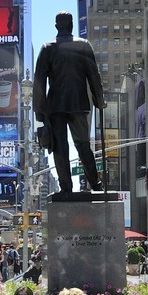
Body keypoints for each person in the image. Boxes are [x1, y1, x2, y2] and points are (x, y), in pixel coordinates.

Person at [32, 11, 105, 194]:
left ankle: (66, 188)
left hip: (55, 106)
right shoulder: (83, 46)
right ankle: (95, 184)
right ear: (71, 25)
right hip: (79, 103)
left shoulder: (47, 48)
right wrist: (99, 100)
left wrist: (39, 110)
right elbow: (94, 76)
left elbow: (39, 82)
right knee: (83, 145)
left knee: (60, 148)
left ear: (56, 26)